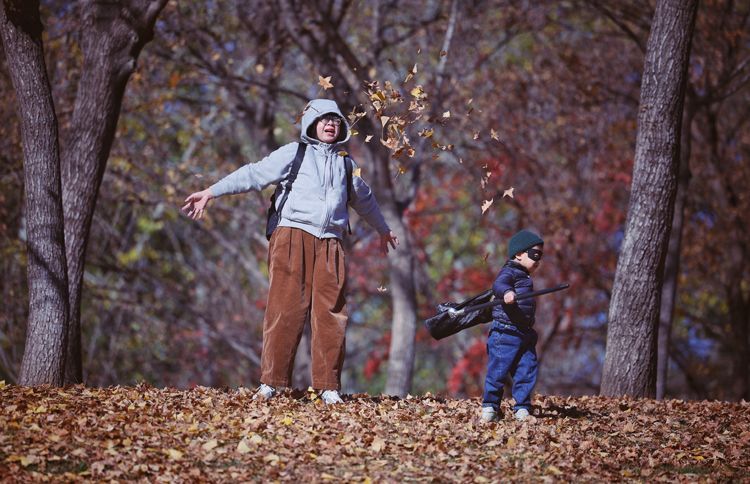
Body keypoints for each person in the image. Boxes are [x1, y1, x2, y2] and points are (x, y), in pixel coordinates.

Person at [182, 98, 398, 404]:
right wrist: (211, 192)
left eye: (335, 121)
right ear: (311, 123)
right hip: (292, 236)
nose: (330, 124)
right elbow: (253, 174)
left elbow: (365, 200)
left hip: (331, 243)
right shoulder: (294, 154)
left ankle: (329, 386)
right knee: (285, 308)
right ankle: (271, 382)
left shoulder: (346, 165)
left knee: (331, 315)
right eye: (324, 120)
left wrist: (383, 229)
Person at [481, 229, 544, 422]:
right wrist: (507, 293)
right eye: (535, 254)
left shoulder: (525, 276)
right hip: (505, 332)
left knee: (527, 369)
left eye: (541, 255)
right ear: (518, 254)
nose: (538, 259)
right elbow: (498, 285)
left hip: (524, 333)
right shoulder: (509, 272)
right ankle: (490, 407)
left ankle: (522, 407)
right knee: (498, 370)